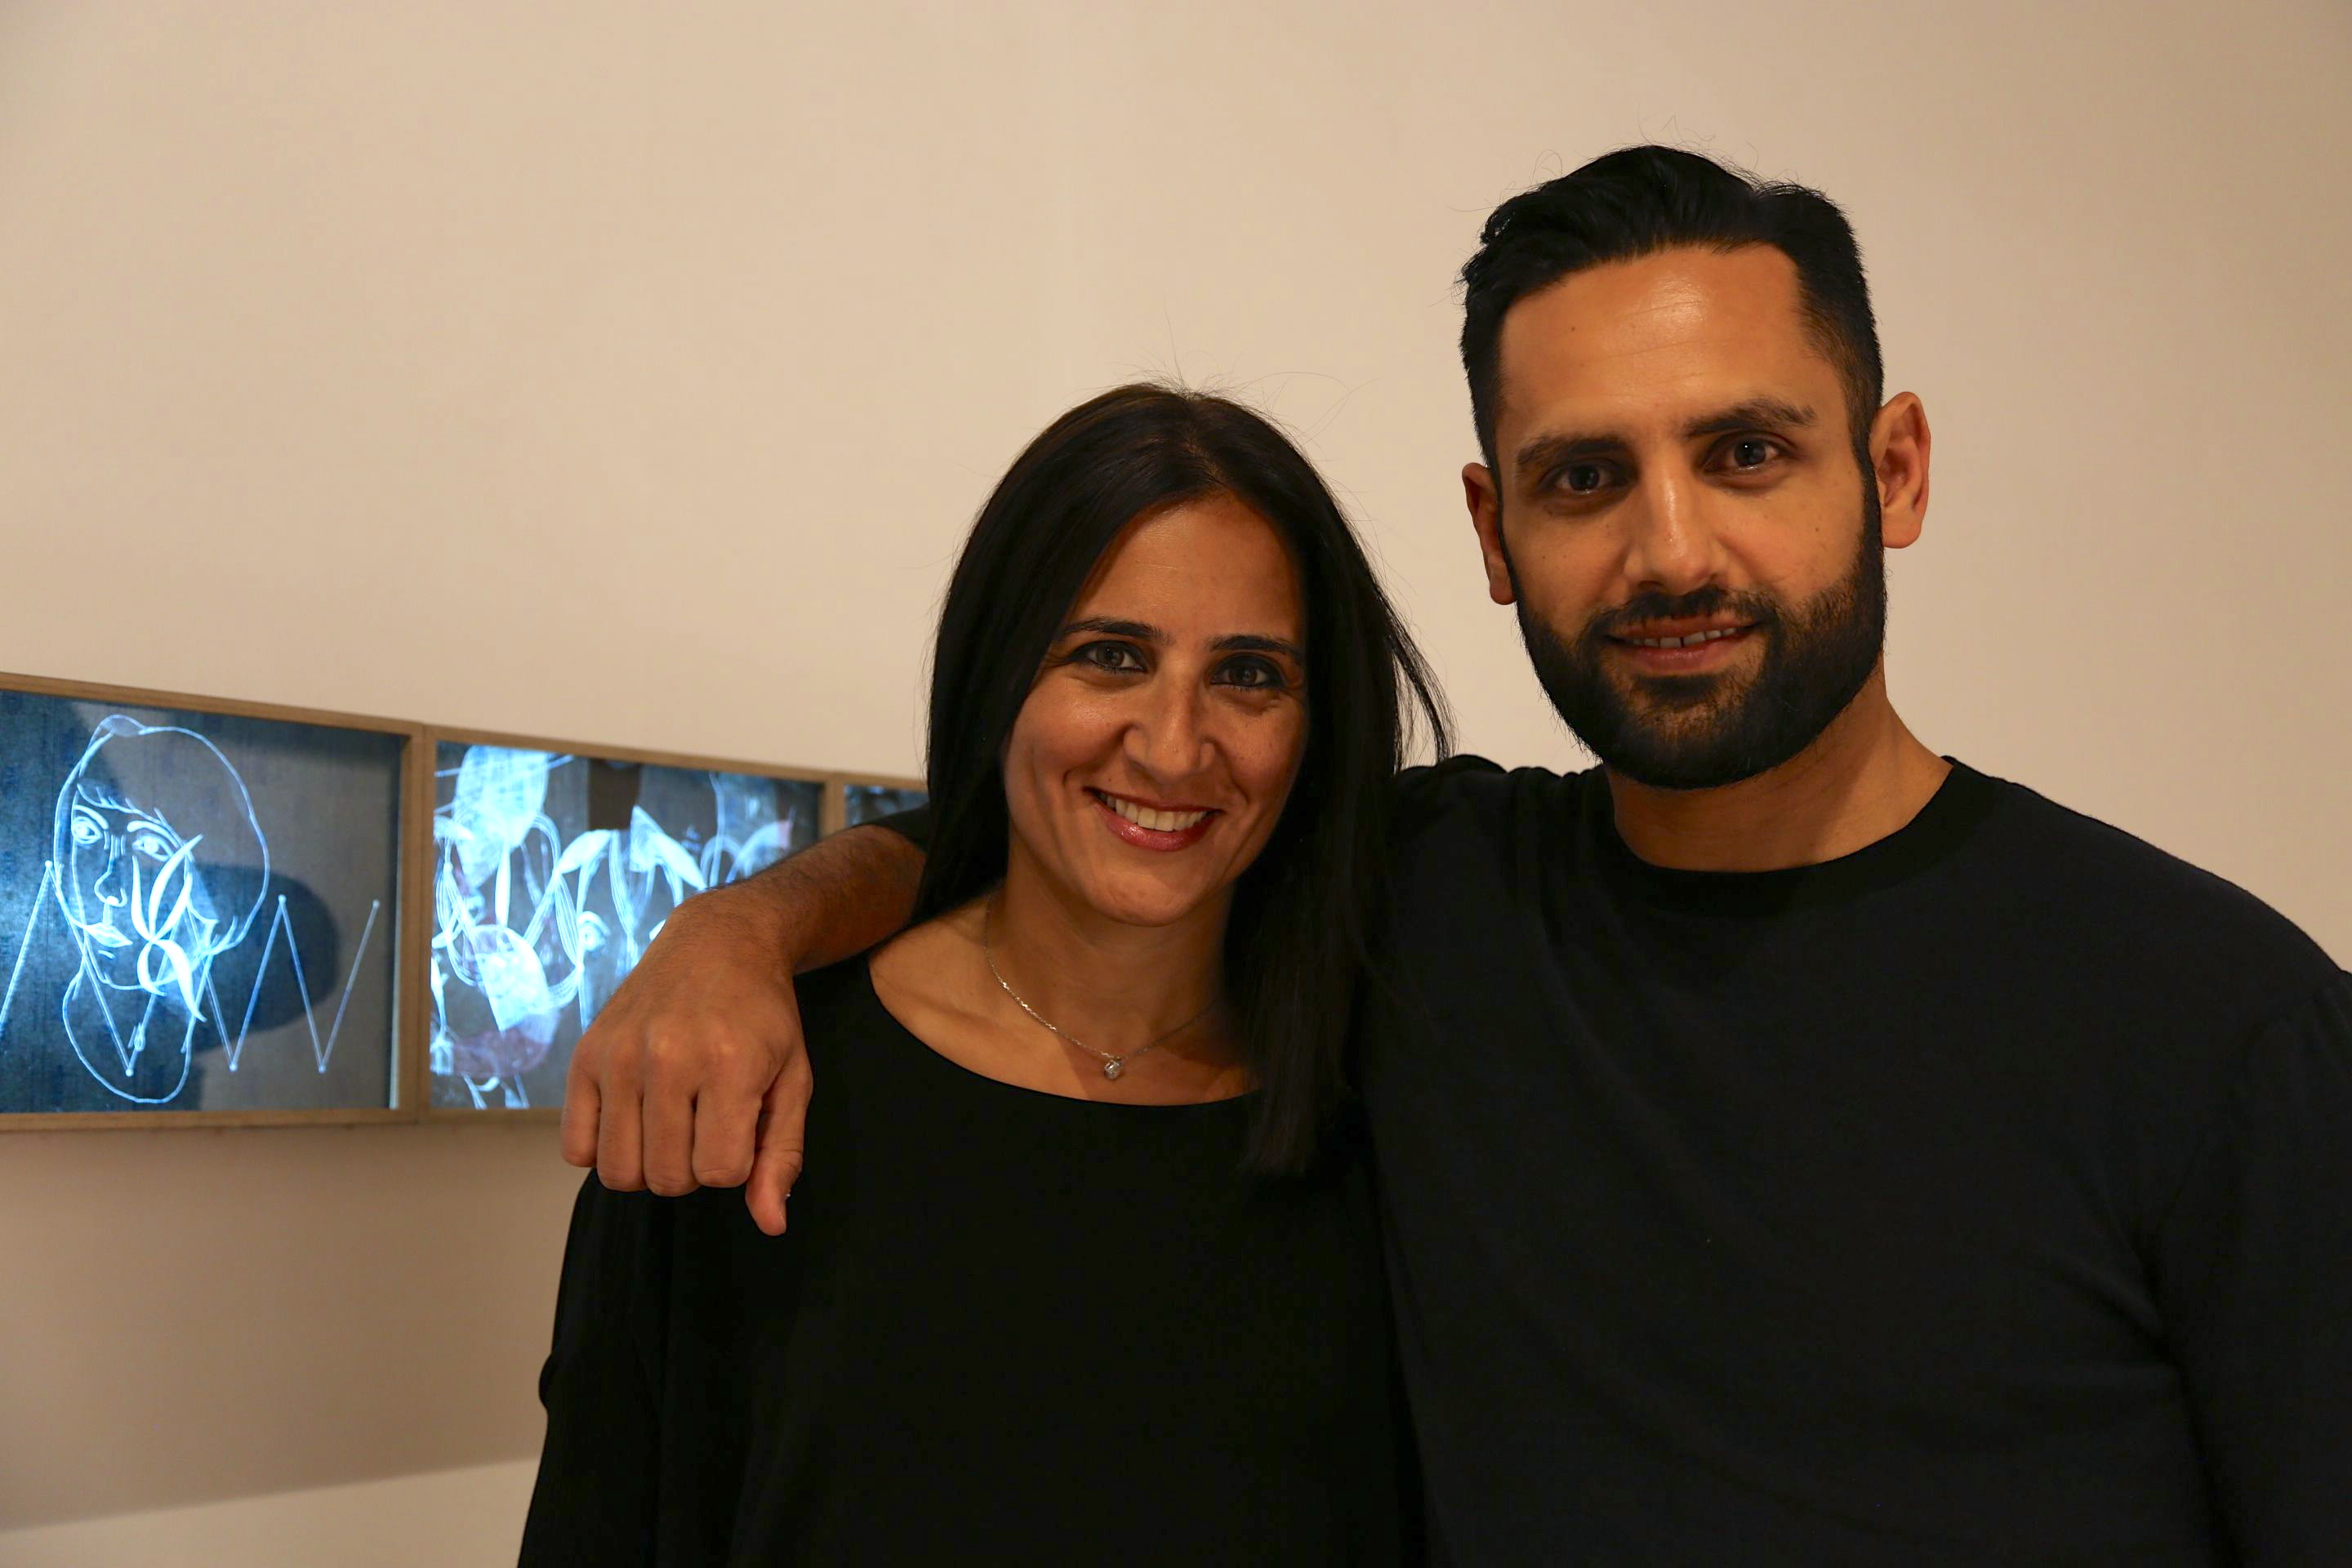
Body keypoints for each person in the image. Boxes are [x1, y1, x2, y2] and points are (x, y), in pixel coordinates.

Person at [562, 148, 2352, 1563]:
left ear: (1893, 471)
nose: (1670, 551)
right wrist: (741, 928)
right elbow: (1082, 827)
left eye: (1746, 452)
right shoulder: (1439, 899)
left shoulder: (2216, 1030)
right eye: (1584, 478)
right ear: (1495, 532)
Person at [520, 385, 1441, 1563]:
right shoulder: (747, 1090)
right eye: (1110, 657)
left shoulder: (1399, 1114)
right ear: (998, 677)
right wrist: (738, 926)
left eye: (1250, 674)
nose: (1174, 746)